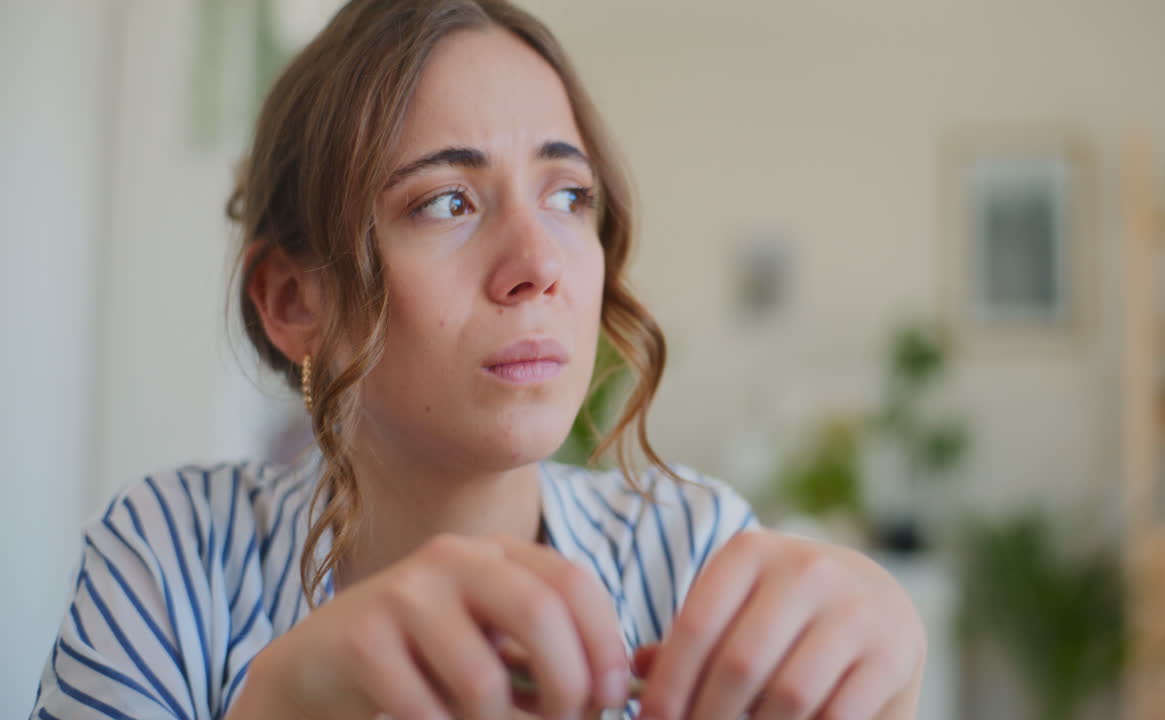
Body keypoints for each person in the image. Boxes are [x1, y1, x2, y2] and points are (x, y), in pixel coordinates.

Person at [30, 1, 925, 718]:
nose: (538, 268)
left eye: (569, 195)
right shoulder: (169, 557)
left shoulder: (692, 558)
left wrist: (891, 680)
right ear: (294, 301)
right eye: (447, 202)